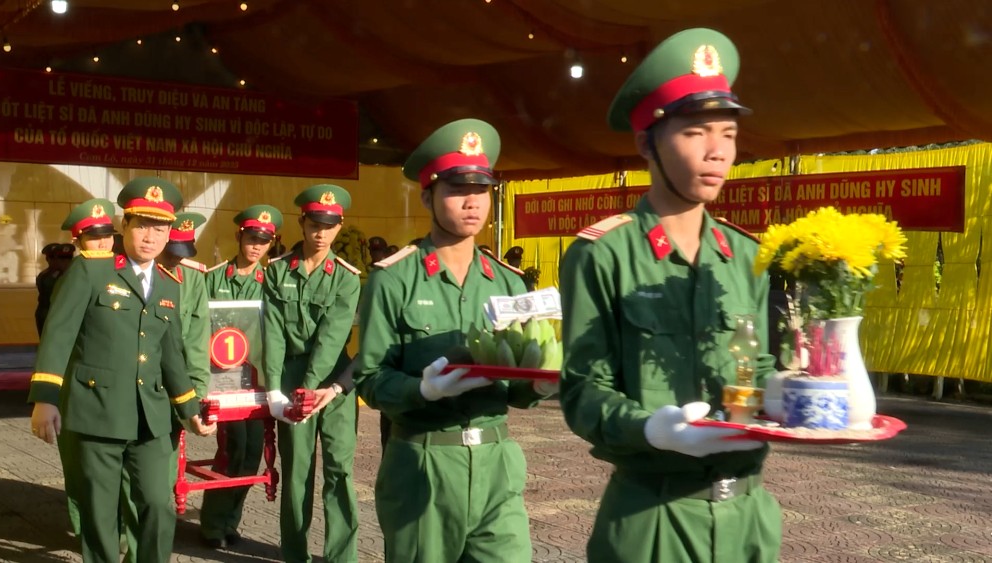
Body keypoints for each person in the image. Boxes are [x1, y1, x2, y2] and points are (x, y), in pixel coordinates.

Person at [557, 28, 782, 563]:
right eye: (696, 132)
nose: (717, 152)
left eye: (727, 134)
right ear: (646, 143)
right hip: (652, 518)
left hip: (749, 518)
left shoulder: (747, 255)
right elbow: (583, 390)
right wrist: (649, 429)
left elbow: (763, 364)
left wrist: (804, 390)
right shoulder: (603, 254)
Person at [356, 118, 556, 562]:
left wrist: (542, 383)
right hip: (423, 463)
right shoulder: (394, 280)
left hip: (497, 463)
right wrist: (422, 389)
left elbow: (519, 386)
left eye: (481, 190)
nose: (472, 202)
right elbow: (370, 378)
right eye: (456, 189)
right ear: (428, 195)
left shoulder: (508, 282)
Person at [28, 176, 217, 563]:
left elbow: (171, 354)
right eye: (142, 225)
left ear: (169, 234)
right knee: (100, 512)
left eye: (159, 228)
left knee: (156, 505)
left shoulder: (169, 285)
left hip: (150, 418)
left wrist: (190, 408)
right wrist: (45, 398)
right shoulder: (91, 272)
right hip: (96, 410)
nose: (150, 236)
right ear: (124, 226)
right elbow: (58, 335)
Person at [263, 185, 361, 563]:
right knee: (296, 474)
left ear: (339, 227)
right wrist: (274, 390)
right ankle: (295, 555)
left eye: (330, 225)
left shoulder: (347, 277)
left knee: (339, 471)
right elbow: (271, 333)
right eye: (315, 223)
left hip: (331, 386)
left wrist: (309, 392)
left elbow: (331, 339)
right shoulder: (277, 272)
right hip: (289, 381)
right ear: (302, 222)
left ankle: (342, 557)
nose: (321, 232)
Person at [121, 211, 212, 559]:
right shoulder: (130, 272)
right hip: (137, 390)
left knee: (158, 484)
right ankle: (126, 543)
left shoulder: (191, 279)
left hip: (177, 394)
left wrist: (197, 395)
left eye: (181, 254)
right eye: (171, 253)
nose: (175, 260)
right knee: (129, 480)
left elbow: (198, 340)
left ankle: (150, 550)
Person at [199, 204, 283, 549]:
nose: (256, 246)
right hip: (223, 379)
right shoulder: (214, 278)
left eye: (263, 241)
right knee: (232, 451)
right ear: (239, 237)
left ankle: (229, 520)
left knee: (252, 454)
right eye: (251, 238)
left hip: (258, 380)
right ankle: (212, 525)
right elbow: (199, 328)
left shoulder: (273, 281)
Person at [54, 197, 118, 538]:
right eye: (95, 237)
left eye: (107, 234)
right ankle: (86, 530)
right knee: (80, 467)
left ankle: (112, 529)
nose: (104, 242)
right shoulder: (71, 279)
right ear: (77, 241)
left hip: (113, 386)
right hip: (77, 385)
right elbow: (58, 338)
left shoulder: (122, 273)